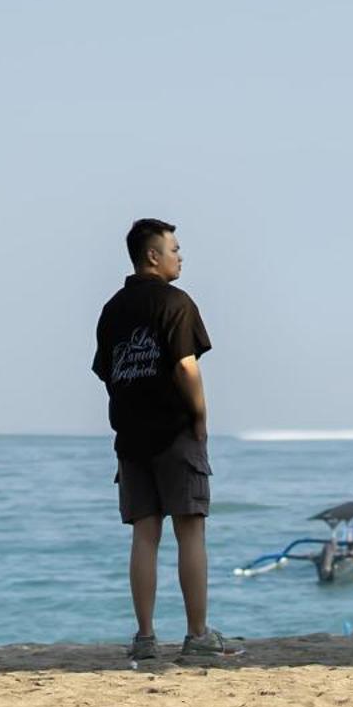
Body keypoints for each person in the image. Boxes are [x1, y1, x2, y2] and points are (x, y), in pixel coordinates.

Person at [91, 218, 241, 662]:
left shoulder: (112, 309)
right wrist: (200, 417)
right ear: (152, 255)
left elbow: (108, 373)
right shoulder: (176, 302)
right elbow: (185, 366)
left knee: (145, 534)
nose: (180, 256)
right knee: (190, 530)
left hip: (131, 436)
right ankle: (197, 635)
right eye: (174, 248)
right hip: (175, 431)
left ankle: (145, 636)